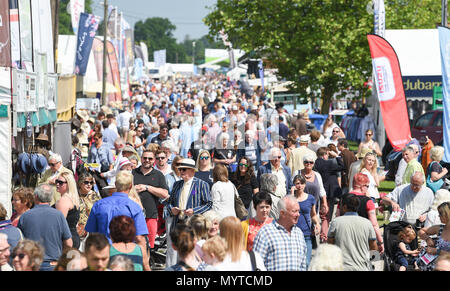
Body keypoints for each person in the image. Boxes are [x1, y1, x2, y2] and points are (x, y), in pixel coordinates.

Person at [85, 170, 149, 260]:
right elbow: (140, 238)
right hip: (126, 256)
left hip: (103, 255)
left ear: (115, 184)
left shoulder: (99, 205)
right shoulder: (134, 207)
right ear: (131, 186)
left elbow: (91, 233)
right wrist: (145, 264)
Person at [166, 158, 213, 267]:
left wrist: (194, 211)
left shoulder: (202, 184)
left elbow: (209, 204)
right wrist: (172, 210)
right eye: (180, 169)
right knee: (174, 253)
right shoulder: (177, 184)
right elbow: (169, 203)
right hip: (177, 223)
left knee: (192, 253)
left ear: (192, 171)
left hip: (193, 225)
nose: (181, 172)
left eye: (184, 169)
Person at [18, 184, 73, 271]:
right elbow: (69, 243)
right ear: (51, 198)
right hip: (53, 264)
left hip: (31, 264)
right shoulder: (58, 215)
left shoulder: (25, 216)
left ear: (35, 196)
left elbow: (19, 242)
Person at [253, 195, 307, 271]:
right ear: (282, 213)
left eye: (298, 211)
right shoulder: (266, 233)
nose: (298, 214)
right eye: (294, 211)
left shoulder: (299, 233)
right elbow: (256, 265)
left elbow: (303, 265)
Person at [327, 193, 378, 271]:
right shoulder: (367, 223)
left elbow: (330, 246)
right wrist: (373, 264)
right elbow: (373, 247)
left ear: (344, 207)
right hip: (362, 268)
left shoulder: (336, 222)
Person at [132, 149, 169, 250]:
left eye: (150, 158)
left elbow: (165, 194)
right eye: (145, 158)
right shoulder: (132, 173)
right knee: (132, 246)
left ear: (154, 161)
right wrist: (133, 189)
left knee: (148, 247)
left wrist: (147, 187)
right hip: (133, 216)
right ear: (141, 158)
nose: (147, 160)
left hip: (151, 216)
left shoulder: (158, 175)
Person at [313, 147, 344, 242]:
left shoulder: (314, 164)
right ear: (325, 154)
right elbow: (342, 167)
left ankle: (322, 233)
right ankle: (324, 235)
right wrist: (337, 156)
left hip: (317, 190)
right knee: (326, 214)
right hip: (329, 192)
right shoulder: (328, 163)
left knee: (319, 213)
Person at [292, 175, 320, 268]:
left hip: (306, 234)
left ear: (305, 185)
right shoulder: (290, 198)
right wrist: (292, 195)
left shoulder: (310, 198)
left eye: (302, 183)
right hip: (293, 234)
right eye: (297, 183)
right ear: (294, 185)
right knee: (295, 262)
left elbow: (313, 214)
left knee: (307, 262)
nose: (300, 186)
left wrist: (317, 224)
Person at [54, 172, 81, 250]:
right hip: (73, 237)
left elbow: (59, 224)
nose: (57, 184)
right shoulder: (73, 199)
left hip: (66, 240)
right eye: (57, 181)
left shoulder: (63, 201)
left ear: (69, 184)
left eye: (61, 182)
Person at [297, 154, 328, 218]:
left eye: (311, 162)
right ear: (303, 163)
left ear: (313, 164)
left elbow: (322, 191)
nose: (309, 164)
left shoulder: (317, 175)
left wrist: (324, 203)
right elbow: (292, 189)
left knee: (314, 224)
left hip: (314, 207)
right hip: (299, 206)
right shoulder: (297, 173)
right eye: (306, 162)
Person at [76, 172, 102, 249]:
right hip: (79, 231)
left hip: (92, 231)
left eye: (91, 182)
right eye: (86, 182)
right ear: (80, 183)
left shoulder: (95, 195)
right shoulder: (74, 195)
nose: (89, 185)